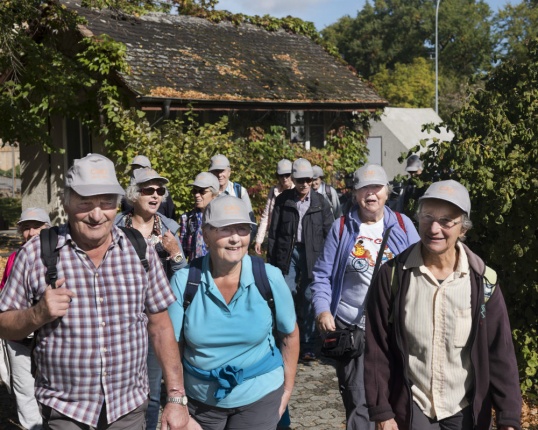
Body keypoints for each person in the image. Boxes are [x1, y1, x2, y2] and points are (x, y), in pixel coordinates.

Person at [0, 153, 192, 430]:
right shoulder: (35, 254)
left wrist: (175, 397)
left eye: (106, 202)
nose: (96, 214)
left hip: (128, 410)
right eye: (85, 203)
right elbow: (5, 326)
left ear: (118, 204)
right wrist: (37, 314)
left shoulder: (141, 251)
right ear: (66, 201)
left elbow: (161, 327)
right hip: (65, 411)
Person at [365, 180, 522, 430]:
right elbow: (377, 349)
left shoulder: (483, 282)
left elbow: (500, 354)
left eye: (447, 220)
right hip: (412, 409)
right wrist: (382, 411)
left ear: (463, 229)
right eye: (427, 216)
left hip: (465, 411)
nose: (434, 228)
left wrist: (508, 417)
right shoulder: (393, 275)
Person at [168, 195, 299, 430]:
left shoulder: (269, 277)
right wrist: (176, 399)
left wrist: (287, 391)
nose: (235, 238)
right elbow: (171, 346)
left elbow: (289, 334)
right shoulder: (184, 281)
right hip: (199, 402)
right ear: (206, 235)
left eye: (242, 229)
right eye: (225, 230)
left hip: (260, 395)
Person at [310, 164, 419, 430]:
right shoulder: (342, 227)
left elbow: (422, 271)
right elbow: (322, 275)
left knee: (399, 398)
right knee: (360, 403)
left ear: (387, 191)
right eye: (364, 189)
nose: (371, 194)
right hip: (354, 329)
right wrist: (323, 310)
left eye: (377, 188)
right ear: (355, 193)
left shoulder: (403, 225)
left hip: (396, 329)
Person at [114, 167, 187, 430]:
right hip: (121, 320)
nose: (156, 195)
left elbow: (182, 273)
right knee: (122, 390)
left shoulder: (169, 230)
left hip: (158, 320)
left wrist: (176, 253)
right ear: (134, 194)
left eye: (160, 190)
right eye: (149, 190)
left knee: (153, 392)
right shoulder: (115, 228)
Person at [268, 158, 334, 361]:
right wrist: (271, 263)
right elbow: (274, 233)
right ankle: (286, 339)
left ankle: (307, 345)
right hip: (288, 252)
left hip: (314, 255)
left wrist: (329, 262)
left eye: (307, 179)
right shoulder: (283, 200)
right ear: (293, 179)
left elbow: (330, 233)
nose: (304, 184)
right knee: (285, 293)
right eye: (300, 180)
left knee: (308, 297)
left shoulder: (321, 202)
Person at [0, 208, 52, 430]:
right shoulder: (14, 257)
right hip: (18, 333)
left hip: (50, 333)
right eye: (26, 228)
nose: (31, 233)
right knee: (22, 385)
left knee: (52, 384)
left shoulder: (61, 255)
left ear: (47, 229)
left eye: (37, 227)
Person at [209, 154, 257, 242]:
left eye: (222, 171)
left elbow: (251, 223)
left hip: (235, 243)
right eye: (216, 171)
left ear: (229, 172)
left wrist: (244, 246)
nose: (219, 175)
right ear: (210, 173)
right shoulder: (205, 192)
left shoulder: (239, 192)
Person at [254, 159, 295, 255]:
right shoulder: (274, 191)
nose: (284, 178)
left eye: (287, 175)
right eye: (281, 175)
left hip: (291, 238)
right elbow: (266, 216)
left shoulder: (297, 191)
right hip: (275, 236)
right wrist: (259, 240)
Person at [179, 172, 220, 262]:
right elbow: (182, 252)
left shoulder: (223, 218)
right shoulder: (186, 218)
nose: (197, 195)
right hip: (195, 272)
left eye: (202, 191)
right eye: (194, 191)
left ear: (214, 194)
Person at [121, 155, 177, 220]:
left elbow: (171, 216)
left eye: (141, 168)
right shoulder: (127, 194)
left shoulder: (162, 192)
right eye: (134, 168)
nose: (137, 171)